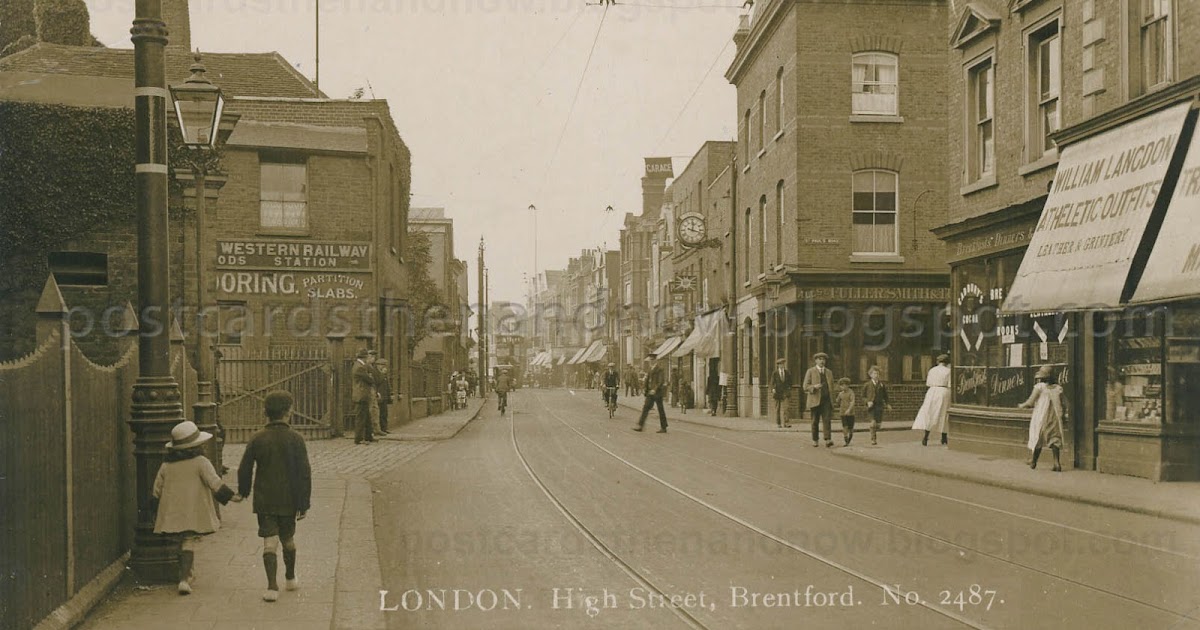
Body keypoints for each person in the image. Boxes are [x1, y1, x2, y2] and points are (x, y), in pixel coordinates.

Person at [237, 391, 313, 603]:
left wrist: (243, 491)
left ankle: (271, 586)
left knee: (269, 542)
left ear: (265, 413)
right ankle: (290, 577)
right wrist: (303, 503)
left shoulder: (257, 438)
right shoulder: (296, 439)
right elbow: (304, 473)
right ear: (289, 412)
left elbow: (244, 468)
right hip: (289, 500)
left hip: (265, 499)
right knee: (288, 539)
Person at [153, 420, 237, 595]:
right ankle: (184, 579)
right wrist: (232, 497)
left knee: (179, 541)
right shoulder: (201, 462)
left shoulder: (166, 465)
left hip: (172, 511)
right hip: (193, 511)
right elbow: (214, 482)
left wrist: (157, 507)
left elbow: (157, 489)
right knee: (188, 541)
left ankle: (187, 574)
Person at [1019, 365, 1066, 471]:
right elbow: (1064, 404)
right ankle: (1056, 463)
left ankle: (1033, 462)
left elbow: (1030, 402)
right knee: (1054, 439)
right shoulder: (1058, 389)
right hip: (1055, 416)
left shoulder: (1039, 387)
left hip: (1041, 415)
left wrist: (1022, 405)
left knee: (1037, 437)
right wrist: (1063, 416)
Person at [912, 353, 952, 446]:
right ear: (946, 362)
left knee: (930, 413)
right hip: (943, 391)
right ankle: (944, 437)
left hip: (932, 391)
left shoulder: (932, 370)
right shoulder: (948, 371)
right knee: (943, 414)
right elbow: (950, 384)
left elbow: (928, 383)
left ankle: (926, 437)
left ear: (938, 362)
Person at [803, 352, 836, 447]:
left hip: (826, 400)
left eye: (823, 359)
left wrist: (832, 400)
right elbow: (805, 386)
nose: (822, 361)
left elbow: (832, 387)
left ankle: (828, 439)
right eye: (820, 359)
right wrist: (814, 387)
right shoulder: (810, 371)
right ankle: (815, 439)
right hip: (815, 400)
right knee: (815, 421)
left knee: (827, 420)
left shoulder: (829, 372)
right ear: (816, 361)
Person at [634, 353, 668, 433]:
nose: (651, 361)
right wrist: (645, 389)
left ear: (656, 360)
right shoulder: (650, 369)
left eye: (652, 360)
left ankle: (664, 427)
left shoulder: (659, 369)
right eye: (650, 360)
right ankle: (640, 425)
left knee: (660, 409)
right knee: (645, 408)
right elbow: (647, 380)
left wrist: (655, 389)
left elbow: (660, 381)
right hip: (650, 392)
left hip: (657, 393)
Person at [862, 365, 892, 445]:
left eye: (878, 374)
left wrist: (888, 404)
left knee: (878, 425)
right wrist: (867, 402)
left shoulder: (882, 385)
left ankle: (874, 429)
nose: (876, 375)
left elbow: (885, 396)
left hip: (879, 407)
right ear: (870, 375)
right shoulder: (867, 385)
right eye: (874, 374)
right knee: (873, 423)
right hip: (871, 407)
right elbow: (863, 396)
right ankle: (873, 439)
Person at [351, 348, 376, 444]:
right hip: (361, 395)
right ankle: (358, 439)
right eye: (367, 357)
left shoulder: (359, 365)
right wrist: (370, 377)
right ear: (364, 357)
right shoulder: (360, 367)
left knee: (367, 417)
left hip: (363, 395)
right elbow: (370, 379)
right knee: (361, 418)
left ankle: (368, 436)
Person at [771, 358, 792, 428]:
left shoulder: (787, 372)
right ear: (778, 365)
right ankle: (778, 423)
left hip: (785, 392)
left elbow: (790, 382)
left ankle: (786, 423)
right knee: (778, 408)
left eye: (783, 364)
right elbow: (772, 382)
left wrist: (789, 388)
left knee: (786, 408)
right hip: (777, 393)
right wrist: (773, 389)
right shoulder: (775, 373)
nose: (781, 365)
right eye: (780, 364)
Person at [374, 358, 391, 435]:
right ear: (378, 365)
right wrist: (382, 374)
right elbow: (377, 382)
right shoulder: (376, 373)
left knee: (384, 413)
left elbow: (386, 385)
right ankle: (379, 429)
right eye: (382, 365)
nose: (384, 367)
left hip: (384, 396)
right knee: (378, 413)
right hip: (378, 395)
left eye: (384, 365)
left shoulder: (383, 374)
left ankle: (384, 428)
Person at [836, 377, 856, 446]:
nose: (841, 387)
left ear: (847, 385)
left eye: (843, 385)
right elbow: (837, 401)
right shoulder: (840, 394)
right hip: (843, 412)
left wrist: (849, 409)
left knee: (850, 428)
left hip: (850, 413)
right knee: (845, 426)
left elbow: (852, 402)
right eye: (840, 385)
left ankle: (850, 437)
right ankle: (846, 439)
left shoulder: (851, 393)